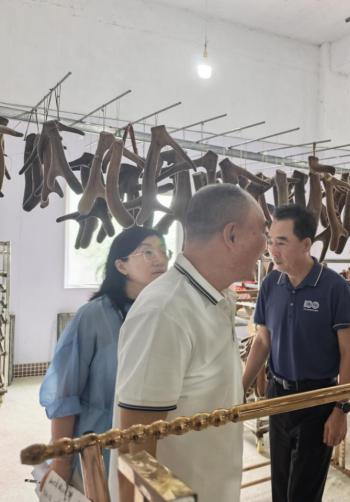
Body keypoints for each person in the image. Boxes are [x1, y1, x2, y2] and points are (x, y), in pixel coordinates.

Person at [109, 184, 268, 502]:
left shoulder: (216, 298)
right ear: (231, 235)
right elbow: (135, 448)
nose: (267, 245)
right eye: (262, 231)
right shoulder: (166, 311)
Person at [242, 204, 350, 502]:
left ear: (306, 244)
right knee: (280, 487)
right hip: (278, 396)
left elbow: (349, 353)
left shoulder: (334, 287)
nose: (272, 249)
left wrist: (340, 408)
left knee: (304, 492)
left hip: (317, 399)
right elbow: (262, 342)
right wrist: (240, 387)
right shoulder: (271, 283)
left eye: (282, 242)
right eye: (270, 241)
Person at [39, 226, 169, 490]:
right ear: (121, 266)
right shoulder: (93, 316)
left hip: (150, 442)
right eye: (147, 252)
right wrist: (61, 463)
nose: (160, 259)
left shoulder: (163, 313)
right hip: (99, 445)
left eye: (164, 251)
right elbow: (65, 394)